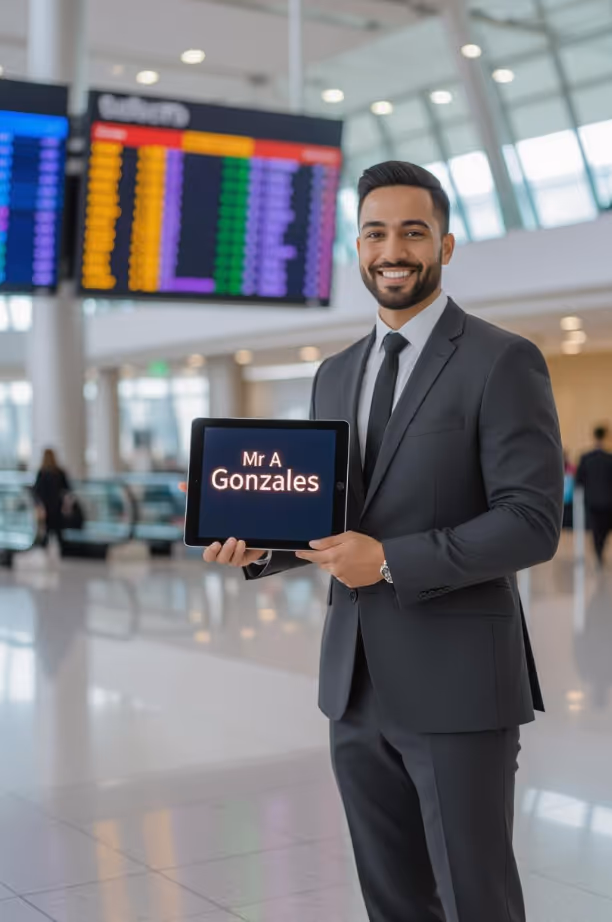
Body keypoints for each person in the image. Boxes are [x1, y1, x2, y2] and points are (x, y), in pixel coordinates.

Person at [201, 161, 564, 922]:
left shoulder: (501, 360)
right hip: (354, 686)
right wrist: (262, 545)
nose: (391, 249)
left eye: (412, 231)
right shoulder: (335, 374)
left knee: (476, 900)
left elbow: (531, 520)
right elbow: (331, 511)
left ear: (446, 244)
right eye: (374, 232)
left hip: (460, 686)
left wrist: (393, 558)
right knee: (392, 901)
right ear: (356, 246)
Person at [576, 426, 612, 567]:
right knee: (603, 529)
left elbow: (579, 480)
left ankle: (598, 553)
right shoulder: (610, 458)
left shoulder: (586, 458)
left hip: (591, 501)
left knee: (596, 529)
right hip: (608, 502)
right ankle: (599, 553)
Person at [33, 448, 71, 552]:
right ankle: (64, 552)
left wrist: (39, 506)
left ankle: (43, 550)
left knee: (47, 530)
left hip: (46, 507)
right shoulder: (59, 472)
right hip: (57, 506)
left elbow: (36, 491)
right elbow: (67, 489)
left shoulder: (42, 473)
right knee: (58, 532)